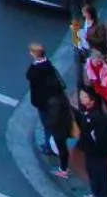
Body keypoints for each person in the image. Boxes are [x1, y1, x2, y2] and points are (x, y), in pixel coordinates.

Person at [72, 85, 107, 197]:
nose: (81, 98)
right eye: (81, 96)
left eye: (85, 96)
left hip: (99, 153)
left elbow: (102, 138)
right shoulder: (88, 113)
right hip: (90, 151)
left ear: (92, 100)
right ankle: (95, 193)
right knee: (91, 172)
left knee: (101, 174)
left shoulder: (98, 117)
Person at [26, 43, 73, 178]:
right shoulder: (48, 66)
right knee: (48, 124)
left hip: (43, 102)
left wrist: (34, 63)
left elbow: (29, 75)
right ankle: (48, 144)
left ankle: (49, 146)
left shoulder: (36, 68)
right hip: (48, 102)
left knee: (48, 124)